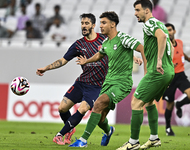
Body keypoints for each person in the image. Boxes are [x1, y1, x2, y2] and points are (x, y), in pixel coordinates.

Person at [69, 11, 146, 148]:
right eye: (101, 23)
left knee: (98, 104)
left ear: (113, 24)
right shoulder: (106, 42)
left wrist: (146, 71)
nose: (100, 26)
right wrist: (86, 61)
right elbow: (99, 55)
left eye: (104, 23)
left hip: (122, 83)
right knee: (100, 118)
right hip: (108, 82)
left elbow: (142, 49)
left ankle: (83, 140)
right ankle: (108, 130)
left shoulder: (123, 38)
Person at [36, 13, 108, 145]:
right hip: (81, 82)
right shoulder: (79, 44)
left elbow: (119, 50)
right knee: (62, 108)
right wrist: (46, 68)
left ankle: (59, 135)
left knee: (83, 109)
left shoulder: (104, 39)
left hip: (96, 85)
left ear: (93, 25)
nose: (84, 26)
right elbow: (63, 60)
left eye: (87, 23)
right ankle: (70, 129)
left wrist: (133, 58)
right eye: (82, 23)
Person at [116, 0, 175, 150]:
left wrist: (159, 60)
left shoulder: (150, 24)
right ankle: (154, 139)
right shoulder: (161, 24)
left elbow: (161, 37)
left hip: (158, 71)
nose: (135, 13)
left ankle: (133, 142)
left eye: (137, 10)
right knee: (148, 102)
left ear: (147, 11)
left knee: (136, 101)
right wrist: (168, 68)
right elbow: (170, 45)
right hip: (167, 71)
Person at [163, 23, 190, 136]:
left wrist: (188, 59)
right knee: (169, 105)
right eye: (166, 30)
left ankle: (179, 104)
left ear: (174, 31)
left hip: (180, 75)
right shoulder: (164, 46)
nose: (168, 32)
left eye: (170, 30)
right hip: (169, 77)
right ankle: (168, 128)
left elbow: (181, 52)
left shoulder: (180, 42)